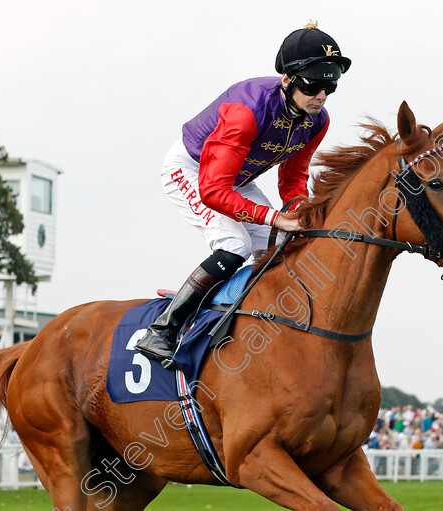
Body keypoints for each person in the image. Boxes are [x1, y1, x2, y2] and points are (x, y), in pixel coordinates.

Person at [135, 22, 351, 367]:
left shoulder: (317, 120)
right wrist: (274, 216)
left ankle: (244, 320)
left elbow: (293, 178)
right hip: (193, 171)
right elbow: (213, 189)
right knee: (235, 245)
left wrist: (298, 211)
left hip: (236, 178)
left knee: (284, 243)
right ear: (287, 80)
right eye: (314, 84)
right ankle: (162, 331)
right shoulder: (245, 112)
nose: (322, 96)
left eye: (331, 85)